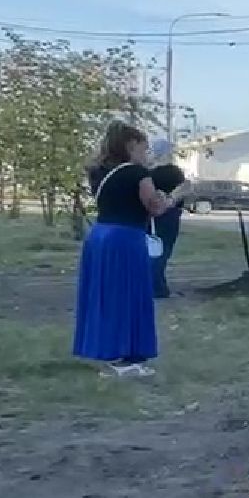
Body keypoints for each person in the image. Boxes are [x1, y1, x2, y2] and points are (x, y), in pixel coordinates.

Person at [74, 121, 170, 377]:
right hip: (125, 238)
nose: (145, 152)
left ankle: (106, 349)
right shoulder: (137, 173)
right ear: (130, 145)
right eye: (143, 146)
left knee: (104, 295)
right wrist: (175, 196)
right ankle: (127, 357)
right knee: (128, 294)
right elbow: (155, 207)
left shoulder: (98, 171)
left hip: (99, 235)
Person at [146, 138, 187, 300]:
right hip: (169, 215)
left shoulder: (147, 173)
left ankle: (157, 285)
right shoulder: (174, 172)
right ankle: (157, 288)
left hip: (150, 216)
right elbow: (182, 193)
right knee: (163, 251)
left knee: (153, 250)